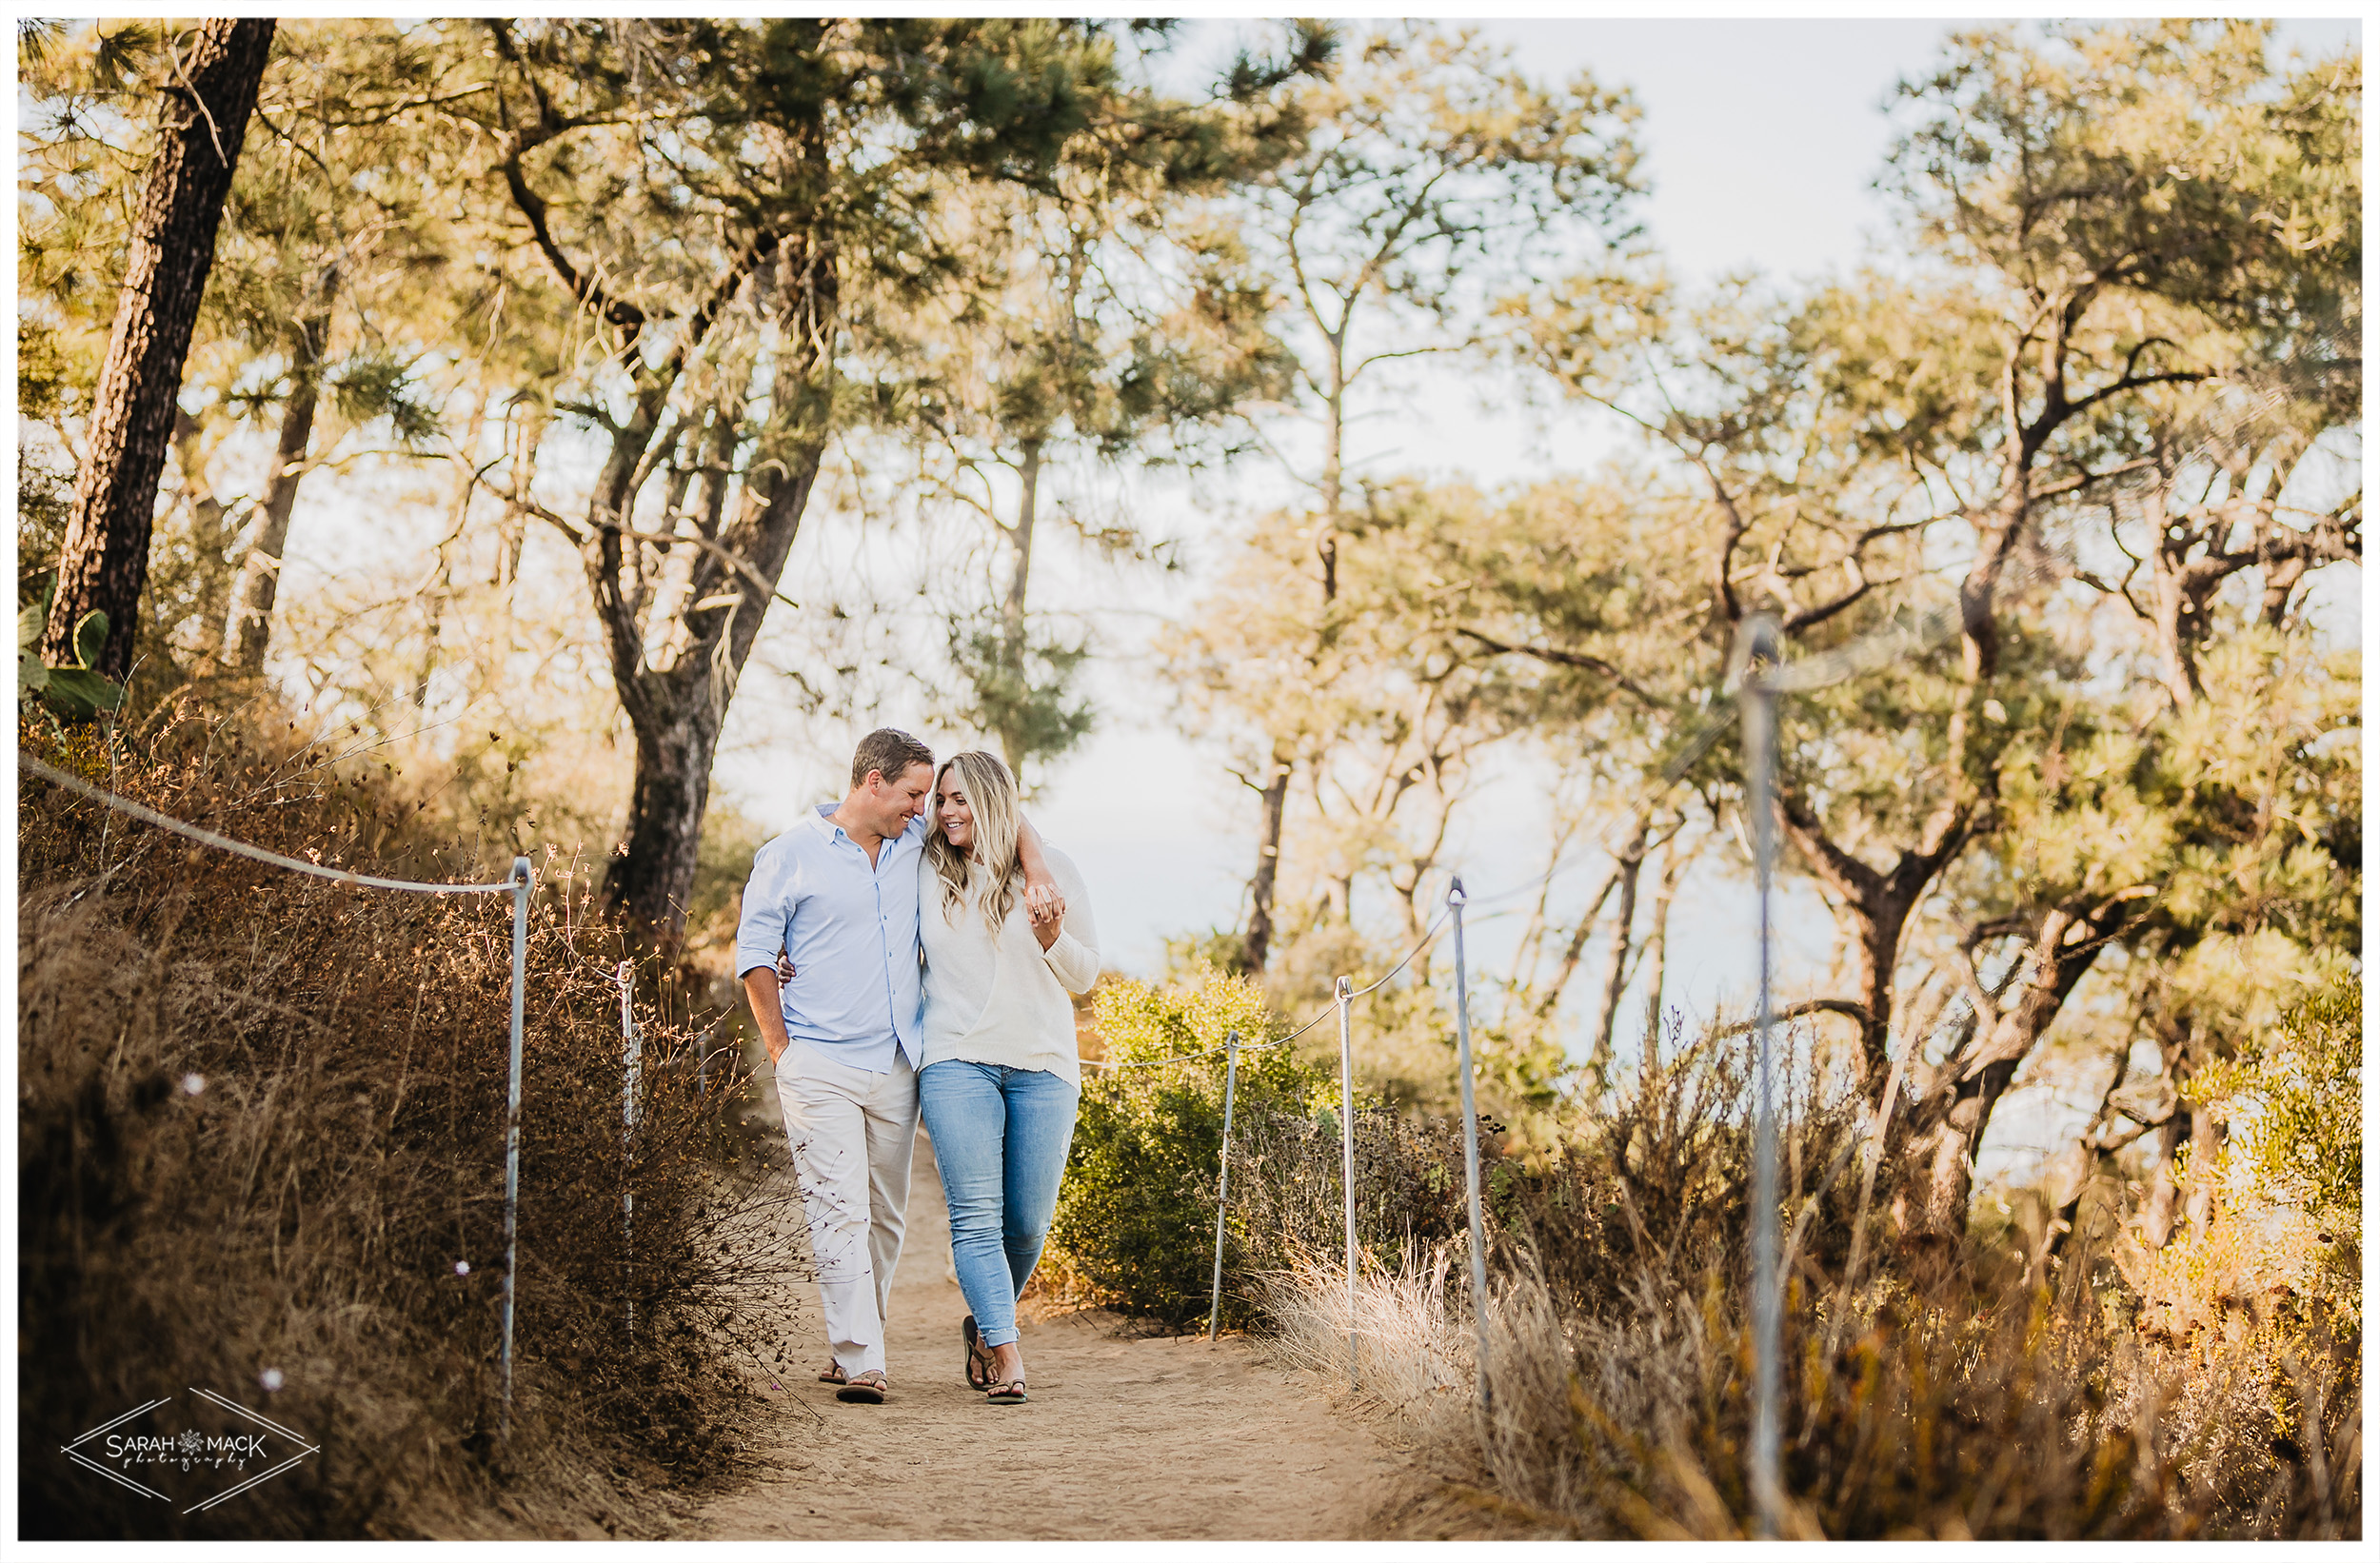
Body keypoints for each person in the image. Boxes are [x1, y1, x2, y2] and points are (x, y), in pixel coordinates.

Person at [735, 728, 1060, 1406]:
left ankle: (853, 1335)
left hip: (897, 1064)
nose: (925, 809)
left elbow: (1002, 812)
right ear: (872, 782)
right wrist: (781, 1052)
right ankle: (862, 1360)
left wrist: (1038, 869)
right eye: (914, 794)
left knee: (884, 1217)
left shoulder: (915, 846)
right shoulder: (789, 855)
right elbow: (756, 956)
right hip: (817, 1059)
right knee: (839, 1209)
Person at [914, 751, 1098, 1406]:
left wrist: (1052, 937)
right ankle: (1008, 1352)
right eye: (941, 800)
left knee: (1026, 1226)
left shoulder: (1055, 873)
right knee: (976, 1217)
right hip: (955, 1057)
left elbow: (1084, 977)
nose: (947, 811)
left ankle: (983, 1325)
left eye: (961, 799)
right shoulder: (925, 865)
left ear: (994, 801)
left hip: (1045, 1065)